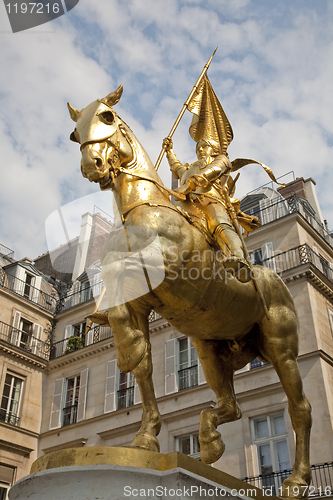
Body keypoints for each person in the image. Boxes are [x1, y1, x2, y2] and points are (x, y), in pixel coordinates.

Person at [163, 136, 250, 274]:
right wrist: (169, 152)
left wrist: (189, 186)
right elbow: (177, 167)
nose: (200, 150)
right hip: (188, 208)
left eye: (204, 146)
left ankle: (237, 257)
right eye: (198, 148)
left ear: (214, 149)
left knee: (217, 223)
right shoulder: (190, 168)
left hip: (210, 202)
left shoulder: (222, 161)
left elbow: (210, 172)